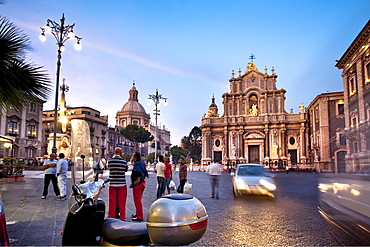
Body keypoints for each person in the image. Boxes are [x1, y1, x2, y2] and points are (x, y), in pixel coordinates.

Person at [107, 147, 128, 221]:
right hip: (122, 184)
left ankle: (111, 217)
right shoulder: (124, 161)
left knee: (112, 202)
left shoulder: (110, 161)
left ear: (114, 152)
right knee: (122, 203)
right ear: (121, 153)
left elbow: (109, 168)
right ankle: (122, 218)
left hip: (112, 184)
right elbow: (125, 169)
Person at [130, 152, 148, 222]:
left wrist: (138, 178)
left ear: (135, 157)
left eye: (133, 156)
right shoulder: (142, 163)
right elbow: (146, 172)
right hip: (142, 183)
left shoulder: (136, 164)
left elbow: (137, 171)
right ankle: (137, 213)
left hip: (138, 184)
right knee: (139, 199)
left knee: (137, 200)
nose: (132, 157)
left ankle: (140, 216)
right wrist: (144, 178)